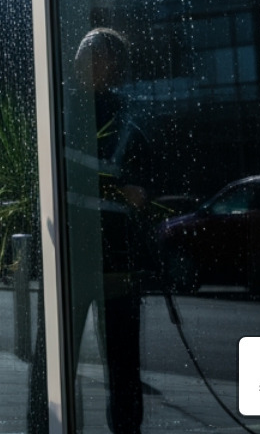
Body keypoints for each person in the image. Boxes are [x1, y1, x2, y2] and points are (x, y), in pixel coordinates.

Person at [71, 26, 152, 434]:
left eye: (96, 54)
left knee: (123, 367)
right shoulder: (62, 109)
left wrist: (127, 189)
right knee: (56, 360)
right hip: (73, 258)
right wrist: (117, 187)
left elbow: (142, 188)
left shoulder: (126, 118)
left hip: (115, 261)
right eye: (84, 51)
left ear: (114, 66)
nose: (85, 60)